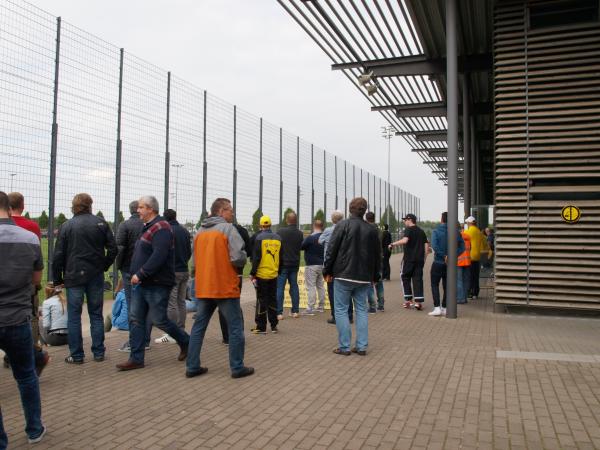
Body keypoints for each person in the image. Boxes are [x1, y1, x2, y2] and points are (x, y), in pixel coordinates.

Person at [116, 196, 190, 371]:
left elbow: (159, 255)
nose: (138, 210)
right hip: (143, 283)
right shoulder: (148, 227)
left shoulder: (162, 228)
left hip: (156, 283)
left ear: (151, 209)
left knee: (159, 319)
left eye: (141, 207)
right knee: (136, 319)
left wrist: (141, 273)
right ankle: (136, 358)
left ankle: (186, 341)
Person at [186, 198, 253, 379]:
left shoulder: (199, 232)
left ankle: (192, 366)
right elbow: (238, 257)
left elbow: (194, 262)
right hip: (224, 286)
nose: (232, 213)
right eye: (230, 210)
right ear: (221, 211)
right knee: (235, 327)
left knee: (199, 327)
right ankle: (237, 367)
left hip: (204, 286)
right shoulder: (228, 229)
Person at [0, 191, 46, 446]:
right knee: (26, 376)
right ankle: (34, 429)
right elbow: (36, 280)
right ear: (9, 208)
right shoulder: (30, 238)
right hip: (17, 316)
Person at [53, 193, 117, 364]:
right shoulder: (101, 224)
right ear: (90, 205)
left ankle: (77, 354)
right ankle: (98, 352)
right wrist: (103, 265)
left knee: (74, 316)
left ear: (74, 206)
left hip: (73, 276)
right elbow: (112, 249)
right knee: (96, 314)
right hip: (95, 274)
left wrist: (57, 278)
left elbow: (58, 255)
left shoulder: (66, 226)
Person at [323, 197, 380, 356]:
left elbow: (331, 249)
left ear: (350, 209)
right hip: (363, 277)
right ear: (365, 210)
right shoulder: (372, 230)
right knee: (361, 310)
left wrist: (327, 270)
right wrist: (376, 275)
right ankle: (361, 346)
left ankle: (344, 346)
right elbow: (377, 255)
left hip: (343, 274)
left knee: (341, 310)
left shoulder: (342, 225)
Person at [6, 192, 48, 375]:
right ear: (22, 205)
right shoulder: (32, 227)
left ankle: (10, 357)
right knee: (29, 319)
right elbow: (36, 259)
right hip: (26, 284)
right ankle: (32, 355)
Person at [155, 209, 192, 344]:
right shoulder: (184, 231)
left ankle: (172, 333)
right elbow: (189, 251)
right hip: (184, 269)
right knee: (181, 301)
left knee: (171, 303)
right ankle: (181, 329)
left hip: (172, 271)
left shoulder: (167, 231)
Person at [114, 200, 145, 352]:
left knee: (132, 306)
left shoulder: (125, 225)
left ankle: (134, 342)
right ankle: (143, 340)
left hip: (129, 270)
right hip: (146, 270)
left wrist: (119, 265)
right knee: (144, 305)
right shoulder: (147, 225)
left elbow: (119, 248)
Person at [217, 221, 250, 345]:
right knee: (235, 305)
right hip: (238, 273)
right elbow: (248, 251)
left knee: (222, 307)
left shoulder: (218, 230)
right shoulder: (242, 230)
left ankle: (226, 337)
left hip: (222, 273)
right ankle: (239, 335)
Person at [389, 213, 429, 310]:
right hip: (419, 260)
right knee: (417, 279)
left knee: (404, 277)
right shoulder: (421, 231)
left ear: (409, 220)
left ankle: (408, 300)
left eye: (405, 220)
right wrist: (424, 259)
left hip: (409, 259)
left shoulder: (409, 230)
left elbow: (405, 240)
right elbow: (426, 247)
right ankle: (418, 302)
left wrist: (392, 244)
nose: (404, 221)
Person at [319, 210, 352, 325]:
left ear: (332, 219)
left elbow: (319, 241)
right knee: (347, 290)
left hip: (331, 266)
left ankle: (335, 316)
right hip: (345, 265)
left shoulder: (328, 230)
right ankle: (349, 315)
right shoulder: (348, 229)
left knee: (332, 291)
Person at [249, 215, 281, 334]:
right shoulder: (278, 238)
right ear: (270, 225)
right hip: (274, 274)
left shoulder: (259, 238)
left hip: (261, 274)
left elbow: (256, 258)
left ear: (261, 225)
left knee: (261, 300)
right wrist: (279, 270)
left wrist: (253, 273)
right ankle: (274, 326)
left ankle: (261, 327)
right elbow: (281, 257)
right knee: (273, 300)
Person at [428, 212, 464, 317]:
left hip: (438, 262)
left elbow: (434, 245)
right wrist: (453, 255)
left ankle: (437, 308)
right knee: (447, 285)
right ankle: (444, 307)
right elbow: (462, 247)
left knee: (434, 284)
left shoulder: (436, 231)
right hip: (451, 264)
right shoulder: (456, 232)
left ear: (442, 219)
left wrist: (444, 256)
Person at [276, 211, 303, 319]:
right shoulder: (300, 233)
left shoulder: (280, 232)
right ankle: (295, 311)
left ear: (287, 220)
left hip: (282, 264)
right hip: (294, 263)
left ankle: (279, 313)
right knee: (294, 287)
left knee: (280, 288)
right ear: (296, 221)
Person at [301, 219, 326, 315]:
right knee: (320, 286)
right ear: (322, 226)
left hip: (311, 265)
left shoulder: (310, 238)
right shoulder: (325, 237)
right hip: (322, 264)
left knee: (311, 286)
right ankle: (321, 306)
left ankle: (310, 308)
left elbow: (301, 246)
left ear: (314, 226)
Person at [365, 212, 385, 313]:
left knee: (369, 284)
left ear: (366, 218)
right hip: (379, 258)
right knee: (379, 283)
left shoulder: (367, 230)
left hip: (369, 260)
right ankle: (381, 305)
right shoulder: (379, 230)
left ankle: (372, 306)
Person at [465, 216, 488, 299]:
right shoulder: (479, 232)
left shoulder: (468, 232)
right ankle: (475, 293)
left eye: (467, 223)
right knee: (475, 276)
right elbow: (485, 242)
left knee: (470, 276)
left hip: (470, 257)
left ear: (470, 223)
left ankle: (470, 293)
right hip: (478, 257)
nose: (467, 224)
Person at [457, 224, 471, 304]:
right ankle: (464, 298)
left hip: (458, 262)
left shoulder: (456, 237)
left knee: (458, 281)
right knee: (465, 281)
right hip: (467, 262)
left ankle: (460, 298)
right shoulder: (468, 237)